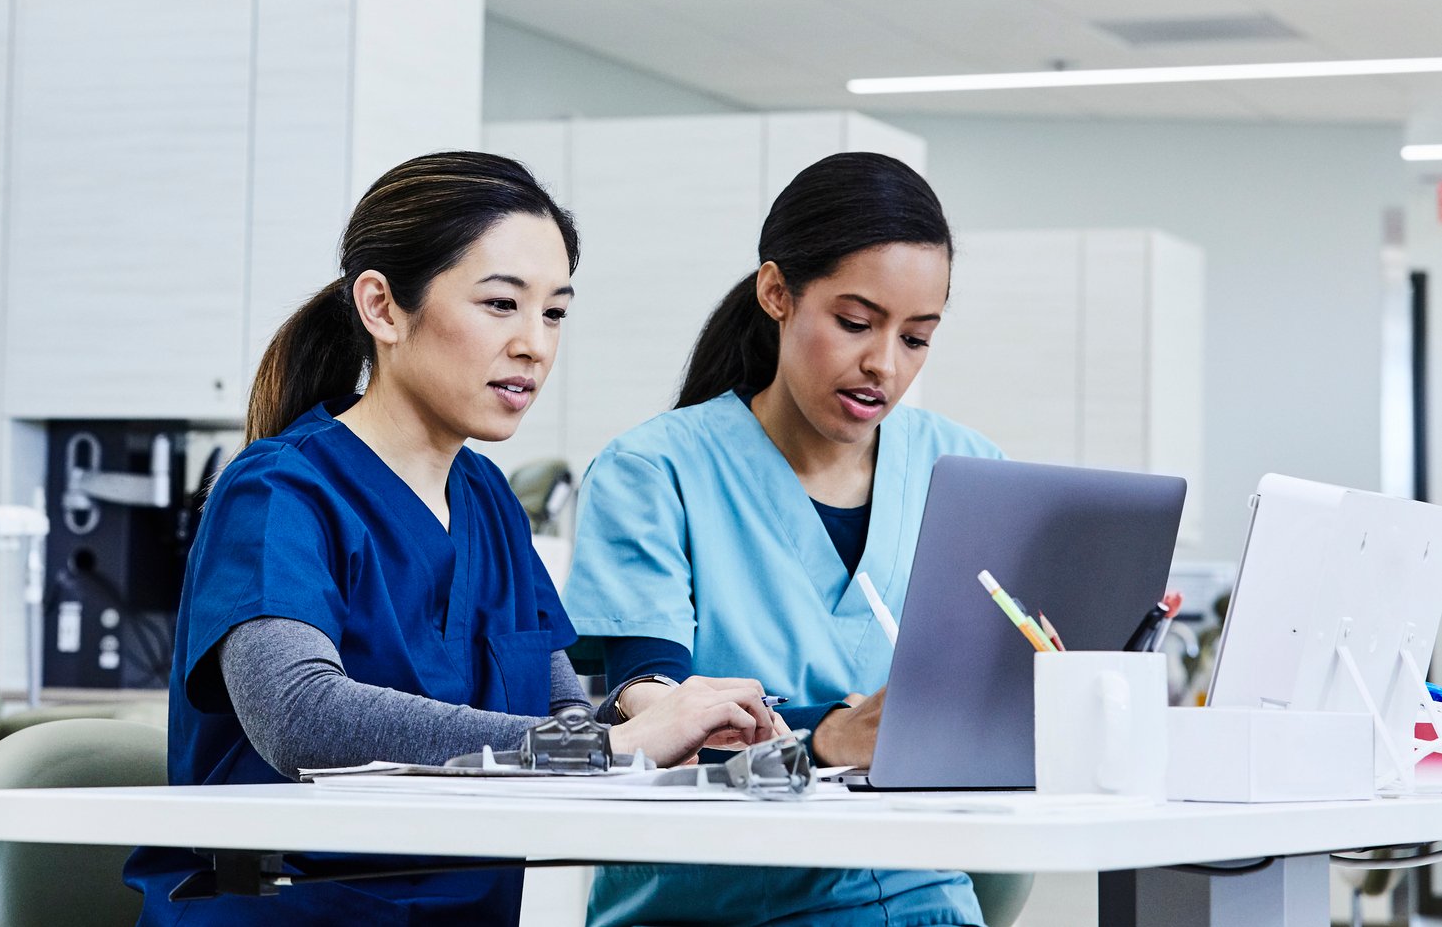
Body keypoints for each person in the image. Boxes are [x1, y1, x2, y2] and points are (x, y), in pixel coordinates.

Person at [127, 151, 781, 926]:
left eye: (554, 312)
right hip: (297, 912)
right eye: (501, 305)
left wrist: (665, 717)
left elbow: (557, 719)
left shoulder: (487, 500)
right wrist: (612, 745)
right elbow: (299, 715)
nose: (535, 345)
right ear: (381, 307)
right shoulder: (278, 492)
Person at [564, 152, 1004, 927]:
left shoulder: (964, 470)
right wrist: (827, 736)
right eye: (855, 323)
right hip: (714, 903)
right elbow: (649, 716)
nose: (883, 365)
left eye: (916, 338)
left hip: (922, 899)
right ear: (776, 293)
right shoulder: (654, 471)